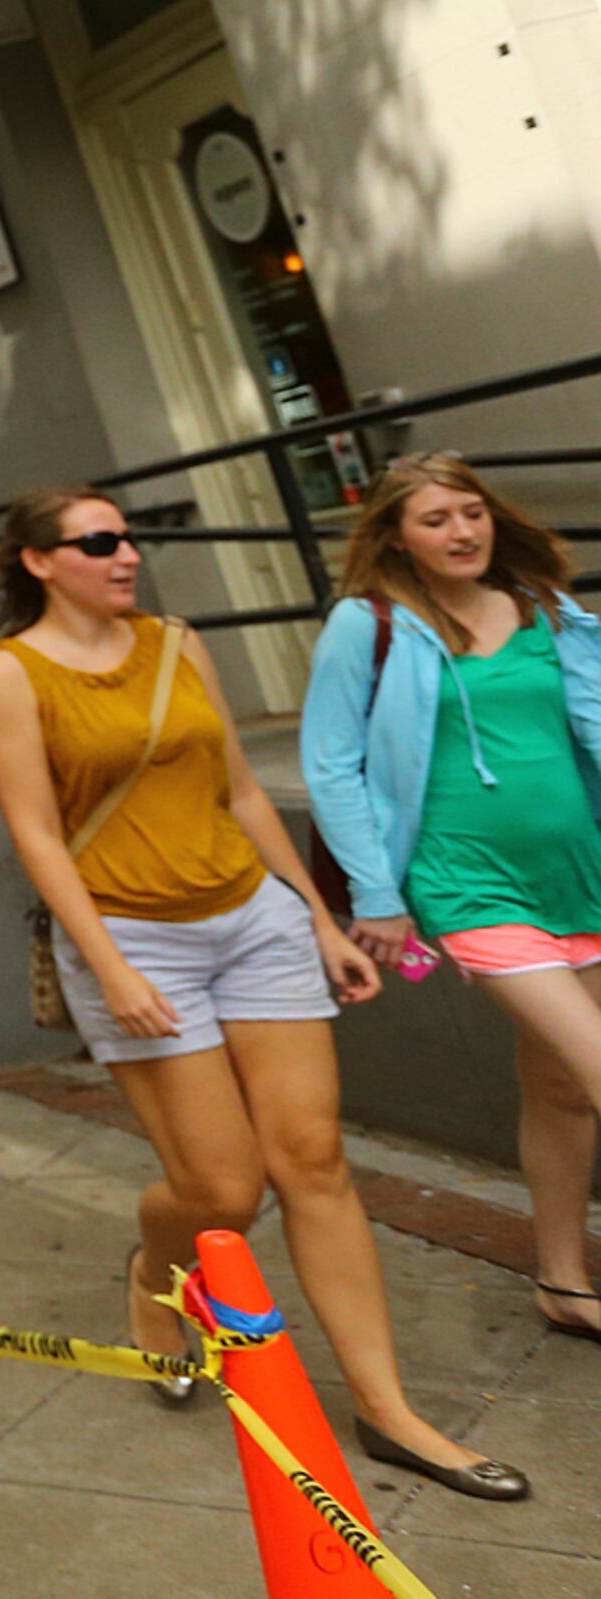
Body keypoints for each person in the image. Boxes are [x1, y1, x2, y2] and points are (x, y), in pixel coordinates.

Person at [0, 486, 524, 1498]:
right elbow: (37, 835)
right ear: (40, 562)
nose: (126, 554)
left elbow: (237, 789)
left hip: (251, 919)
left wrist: (319, 919)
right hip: (134, 936)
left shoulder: (178, 643)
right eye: (99, 542)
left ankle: (388, 1410)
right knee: (225, 1189)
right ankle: (153, 1271)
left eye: (129, 536)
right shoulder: (12, 674)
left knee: (314, 1161)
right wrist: (111, 964)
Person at [302, 452, 601, 1359]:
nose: (461, 532)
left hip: (580, 868)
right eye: (435, 519)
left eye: (470, 512)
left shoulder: (545, 605)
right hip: (464, 880)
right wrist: (380, 894)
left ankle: (562, 1277)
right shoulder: (371, 623)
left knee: (560, 1084)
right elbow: (329, 763)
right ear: (395, 534)